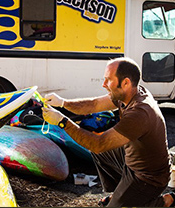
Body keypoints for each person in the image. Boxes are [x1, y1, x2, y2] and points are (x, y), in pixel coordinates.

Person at [42, 57, 172, 207]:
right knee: (99, 152)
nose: (103, 84)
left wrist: (62, 122)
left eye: (108, 80)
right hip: (134, 159)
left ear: (125, 83)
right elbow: (94, 104)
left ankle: (164, 202)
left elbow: (98, 144)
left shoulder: (140, 112)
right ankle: (121, 194)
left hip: (149, 177)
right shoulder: (129, 93)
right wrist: (63, 103)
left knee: (96, 145)